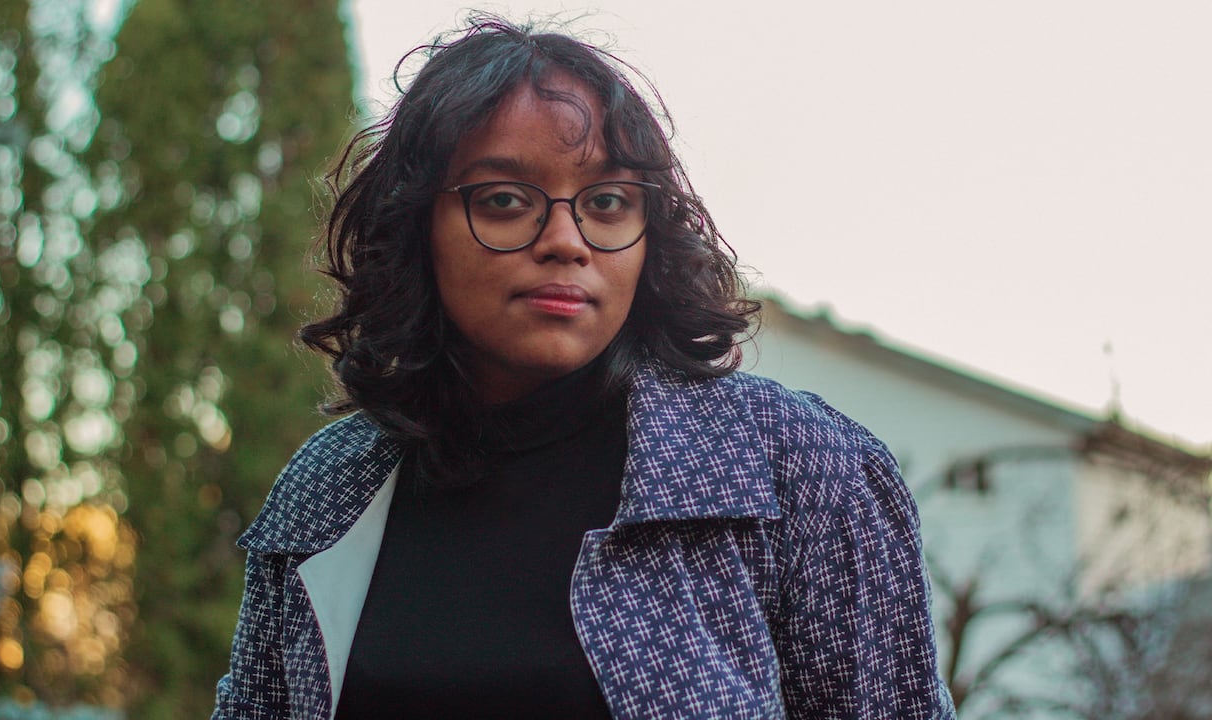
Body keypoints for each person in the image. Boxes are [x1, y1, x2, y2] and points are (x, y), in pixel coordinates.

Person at [212, 16, 956, 720]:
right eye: (504, 200)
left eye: (606, 201)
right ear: (415, 229)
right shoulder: (327, 493)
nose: (567, 240)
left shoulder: (792, 468)